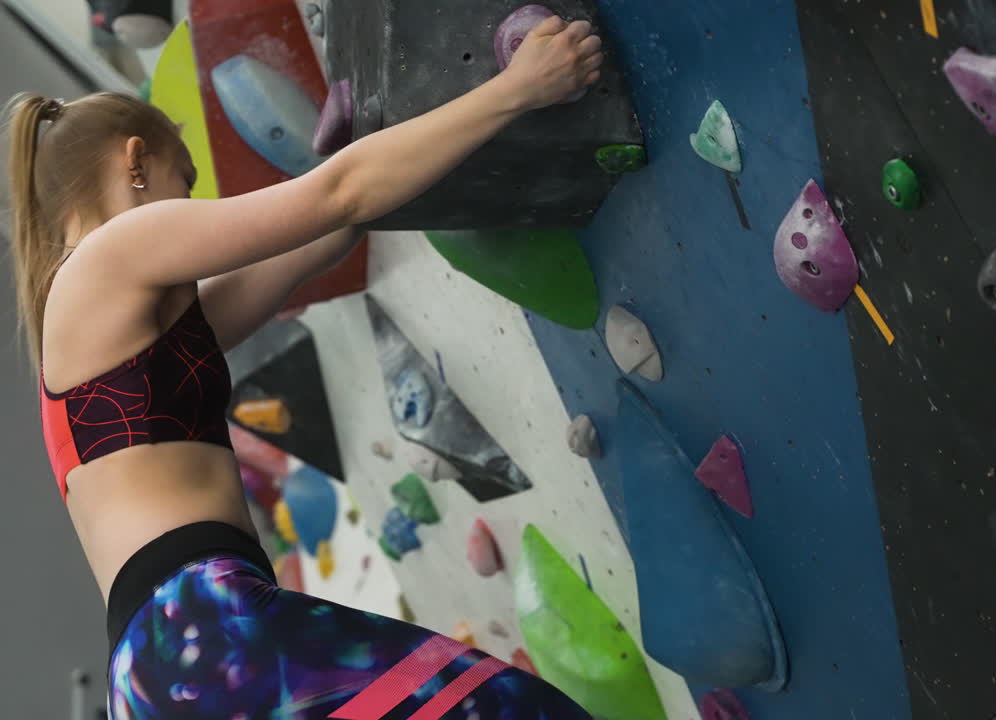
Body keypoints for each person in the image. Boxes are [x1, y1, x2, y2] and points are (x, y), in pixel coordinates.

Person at [6, 16, 602, 720]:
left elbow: (320, 235)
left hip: (159, 672)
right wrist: (519, 88)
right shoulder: (112, 252)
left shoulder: (115, 334)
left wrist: (381, 145)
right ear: (135, 163)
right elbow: (337, 194)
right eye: (184, 182)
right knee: (512, 711)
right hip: (199, 626)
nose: (192, 208)